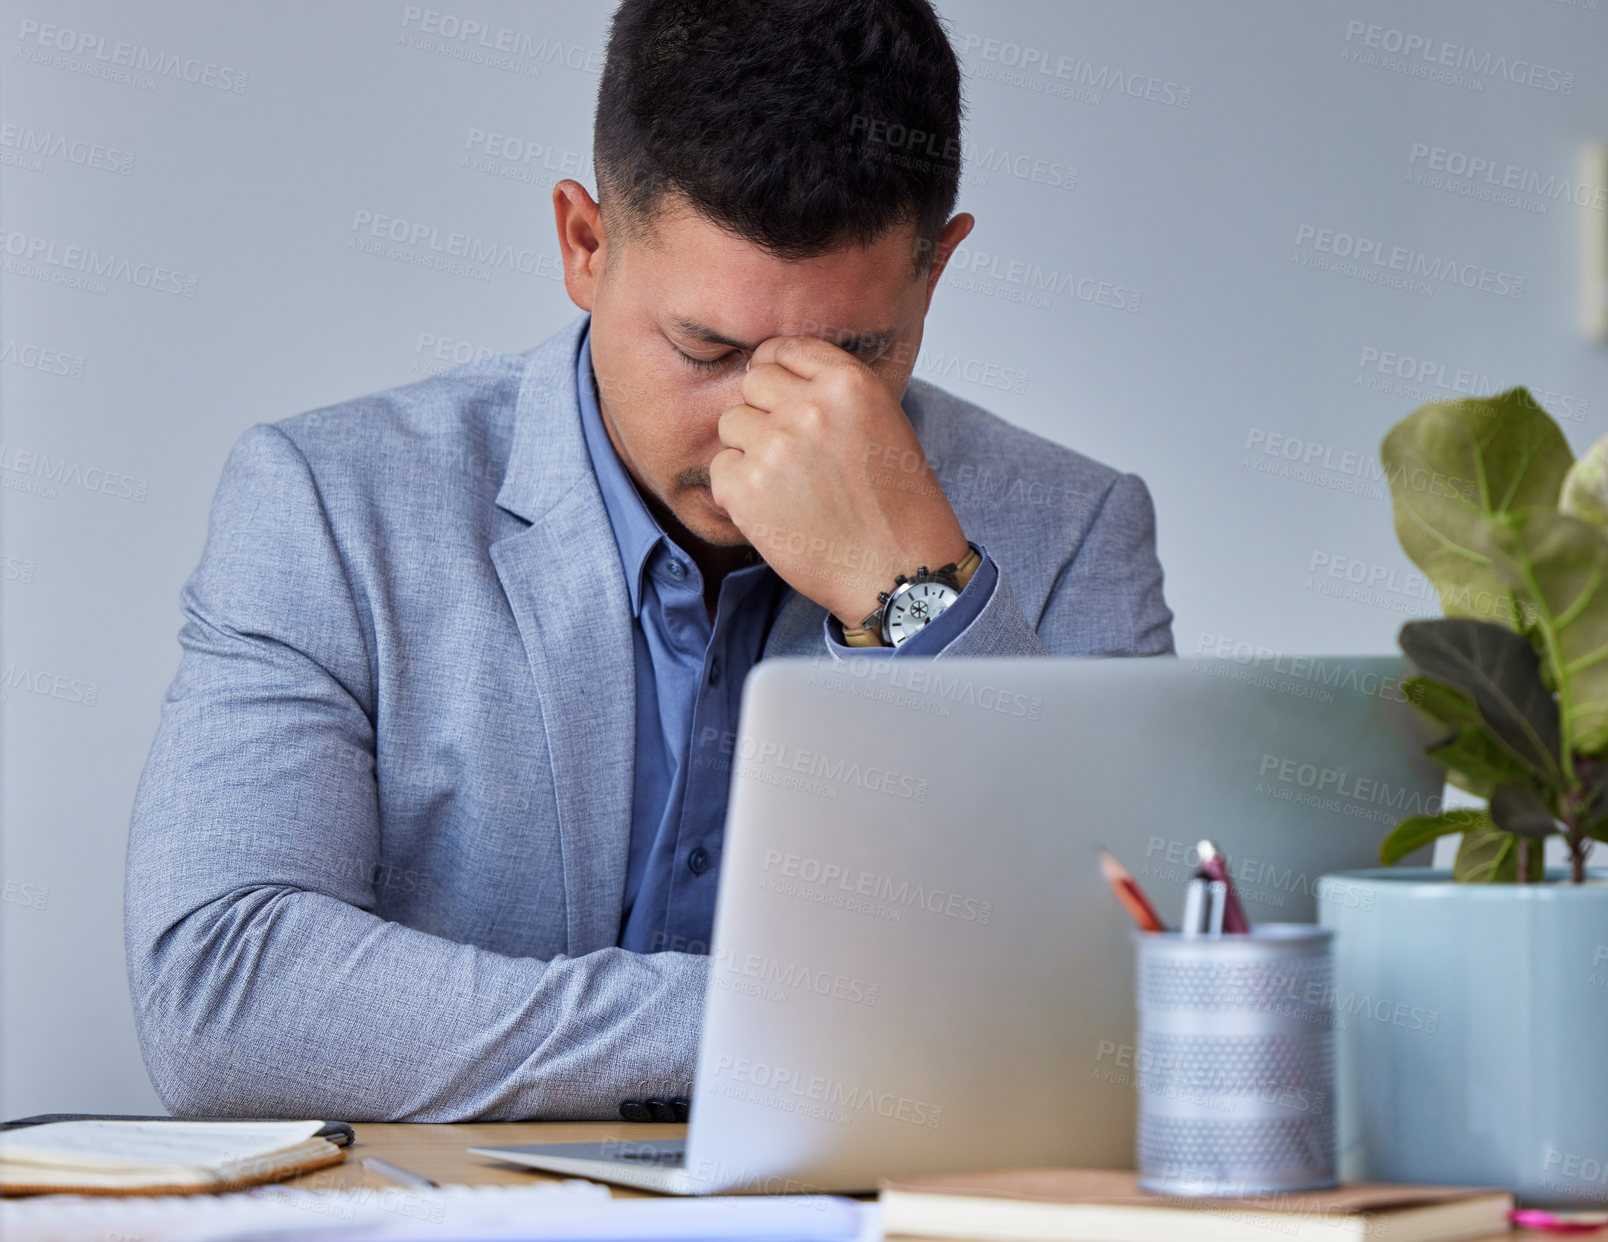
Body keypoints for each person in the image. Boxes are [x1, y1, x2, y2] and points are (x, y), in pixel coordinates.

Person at [124, 0, 1174, 1122]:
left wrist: (920, 602)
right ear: (585, 244)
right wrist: (779, 1027)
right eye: (706, 349)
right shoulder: (334, 504)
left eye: (854, 355)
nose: (762, 428)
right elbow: (222, 990)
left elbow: (1133, 1005)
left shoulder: (1071, 527)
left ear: (937, 271)